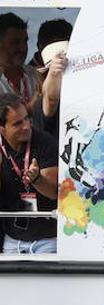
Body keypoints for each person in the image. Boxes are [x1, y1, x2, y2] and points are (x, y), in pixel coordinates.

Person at [0, 94, 58, 254]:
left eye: (27, 119)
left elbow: (53, 192)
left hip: (47, 240)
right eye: (18, 123)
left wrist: (37, 179)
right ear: (2, 130)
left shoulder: (45, 142)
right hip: (12, 239)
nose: (26, 126)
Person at [0, 13, 38, 108]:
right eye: (14, 43)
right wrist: (31, 107)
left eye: (25, 41)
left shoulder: (35, 75)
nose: (23, 48)